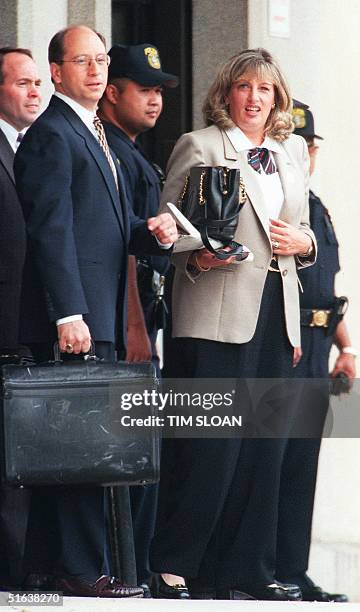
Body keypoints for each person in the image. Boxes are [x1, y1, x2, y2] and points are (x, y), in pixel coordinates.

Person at [13, 25, 177, 598]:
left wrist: (149, 233)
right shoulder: (53, 133)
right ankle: (81, 571)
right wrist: (68, 315)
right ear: (56, 72)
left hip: (97, 315)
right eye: (82, 61)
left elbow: (101, 229)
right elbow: (52, 231)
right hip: (77, 321)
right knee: (80, 449)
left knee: (72, 447)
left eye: (102, 60)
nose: (96, 70)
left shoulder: (95, 133)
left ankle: (44, 568)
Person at [149, 48, 317, 601]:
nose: (253, 98)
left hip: (277, 309)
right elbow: (168, 233)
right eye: (244, 88)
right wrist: (195, 257)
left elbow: (303, 230)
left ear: (277, 100)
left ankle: (247, 570)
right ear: (226, 94)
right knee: (211, 444)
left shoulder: (291, 151)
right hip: (217, 307)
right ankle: (176, 563)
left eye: (264, 90)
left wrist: (307, 243)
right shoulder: (200, 145)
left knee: (263, 446)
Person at [97, 43, 178, 596]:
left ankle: (138, 566)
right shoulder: (114, 153)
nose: (154, 99)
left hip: (145, 319)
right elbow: (123, 251)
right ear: (112, 91)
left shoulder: (134, 153)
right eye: (142, 88)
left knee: (145, 453)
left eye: (159, 91)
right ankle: (124, 568)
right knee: (122, 453)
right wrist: (133, 328)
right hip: (125, 324)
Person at [275, 101, 356, 602]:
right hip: (287, 346)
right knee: (273, 460)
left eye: (308, 145)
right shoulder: (282, 205)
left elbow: (329, 289)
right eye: (293, 144)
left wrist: (347, 348)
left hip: (320, 347)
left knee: (303, 463)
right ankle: (265, 567)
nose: (303, 153)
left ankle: (293, 568)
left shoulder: (316, 206)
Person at [0, 46, 42, 587]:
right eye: (22, 83)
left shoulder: (34, 148)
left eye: (38, 83)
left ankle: (20, 572)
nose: (35, 92)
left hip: (24, 330)